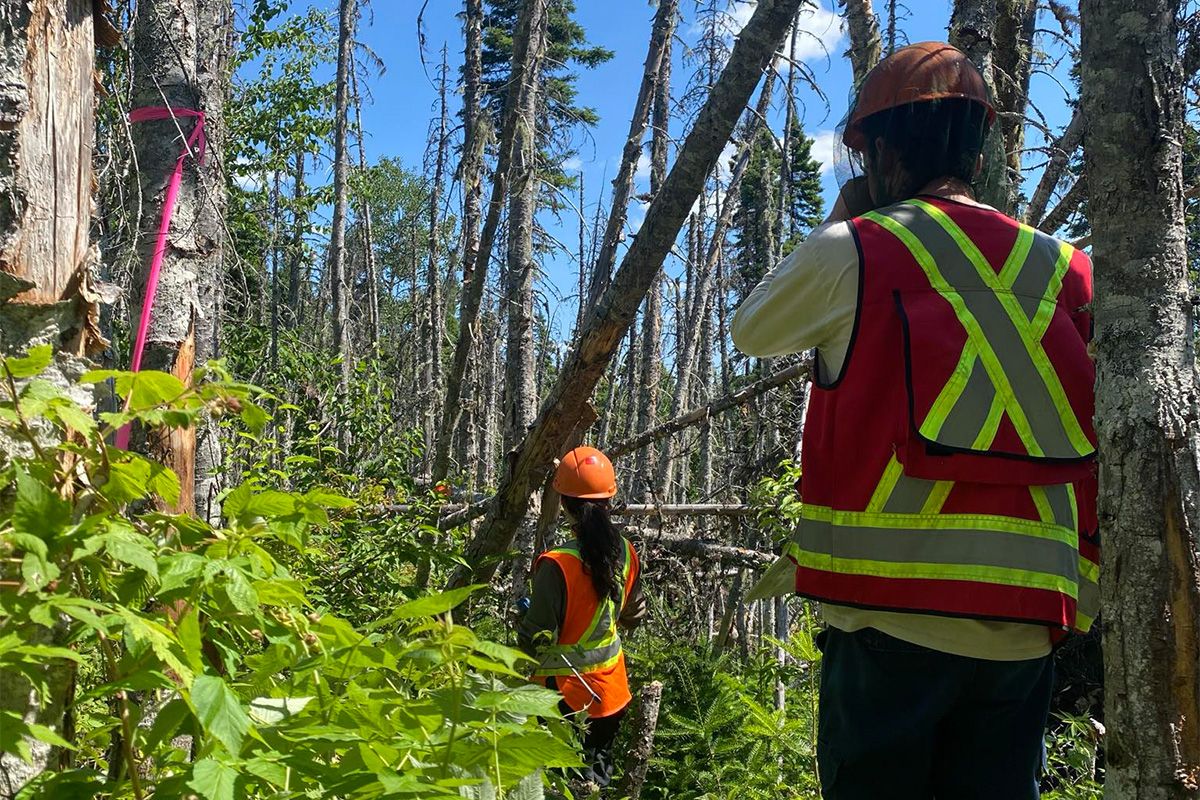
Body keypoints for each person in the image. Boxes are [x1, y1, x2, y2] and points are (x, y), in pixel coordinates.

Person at [731, 42, 1099, 800]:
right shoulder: (1067, 269)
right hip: (1027, 627)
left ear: (882, 151)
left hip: (890, 624)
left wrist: (841, 218)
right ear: (978, 148)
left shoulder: (859, 249)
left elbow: (752, 330)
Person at [518, 446, 646, 788]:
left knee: (561, 787)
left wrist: (525, 618)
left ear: (564, 504)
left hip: (566, 700)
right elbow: (633, 615)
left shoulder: (557, 564)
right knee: (596, 781)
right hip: (612, 693)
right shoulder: (626, 551)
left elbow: (534, 640)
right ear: (609, 499)